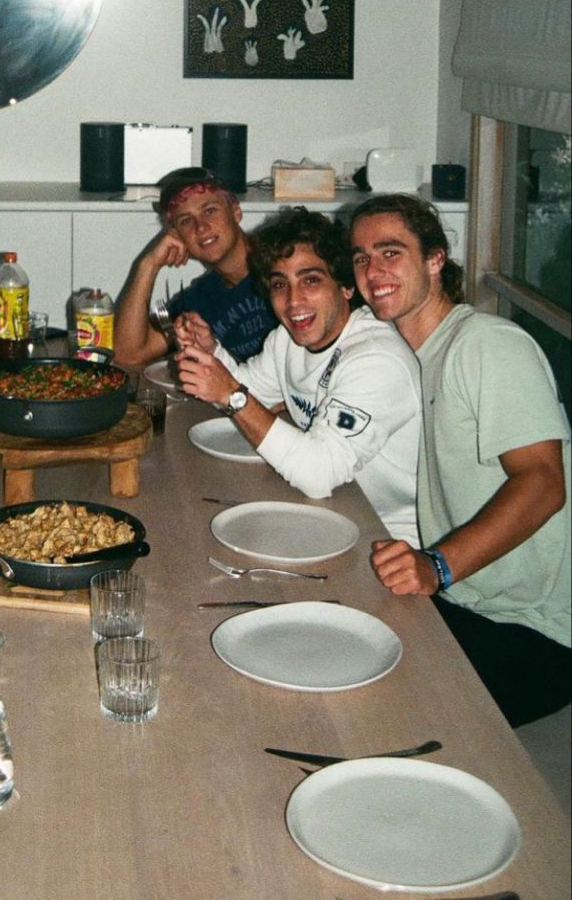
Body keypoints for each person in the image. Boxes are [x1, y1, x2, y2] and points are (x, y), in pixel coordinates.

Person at [350, 193, 570, 726]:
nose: (372, 271)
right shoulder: (399, 351)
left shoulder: (486, 345)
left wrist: (438, 565)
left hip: (533, 630)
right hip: (461, 604)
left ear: (434, 260)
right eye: (359, 258)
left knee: (360, 708)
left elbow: (543, 483)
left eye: (390, 253)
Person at [175, 208, 420, 546]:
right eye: (280, 285)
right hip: (330, 512)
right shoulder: (287, 341)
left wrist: (231, 394)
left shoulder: (375, 359)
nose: (293, 301)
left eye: (311, 280)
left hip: (391, 541)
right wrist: (212, 351)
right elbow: (249, 395)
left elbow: (318, 475)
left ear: (346, 286)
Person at [113, 167, 276, 370]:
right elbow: (128, 356)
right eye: (186, 221)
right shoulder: (199, 299)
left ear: (236, 211)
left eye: (209, 211)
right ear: (178, 235)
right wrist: (147, 265)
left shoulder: (282, 262)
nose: (200, 227)